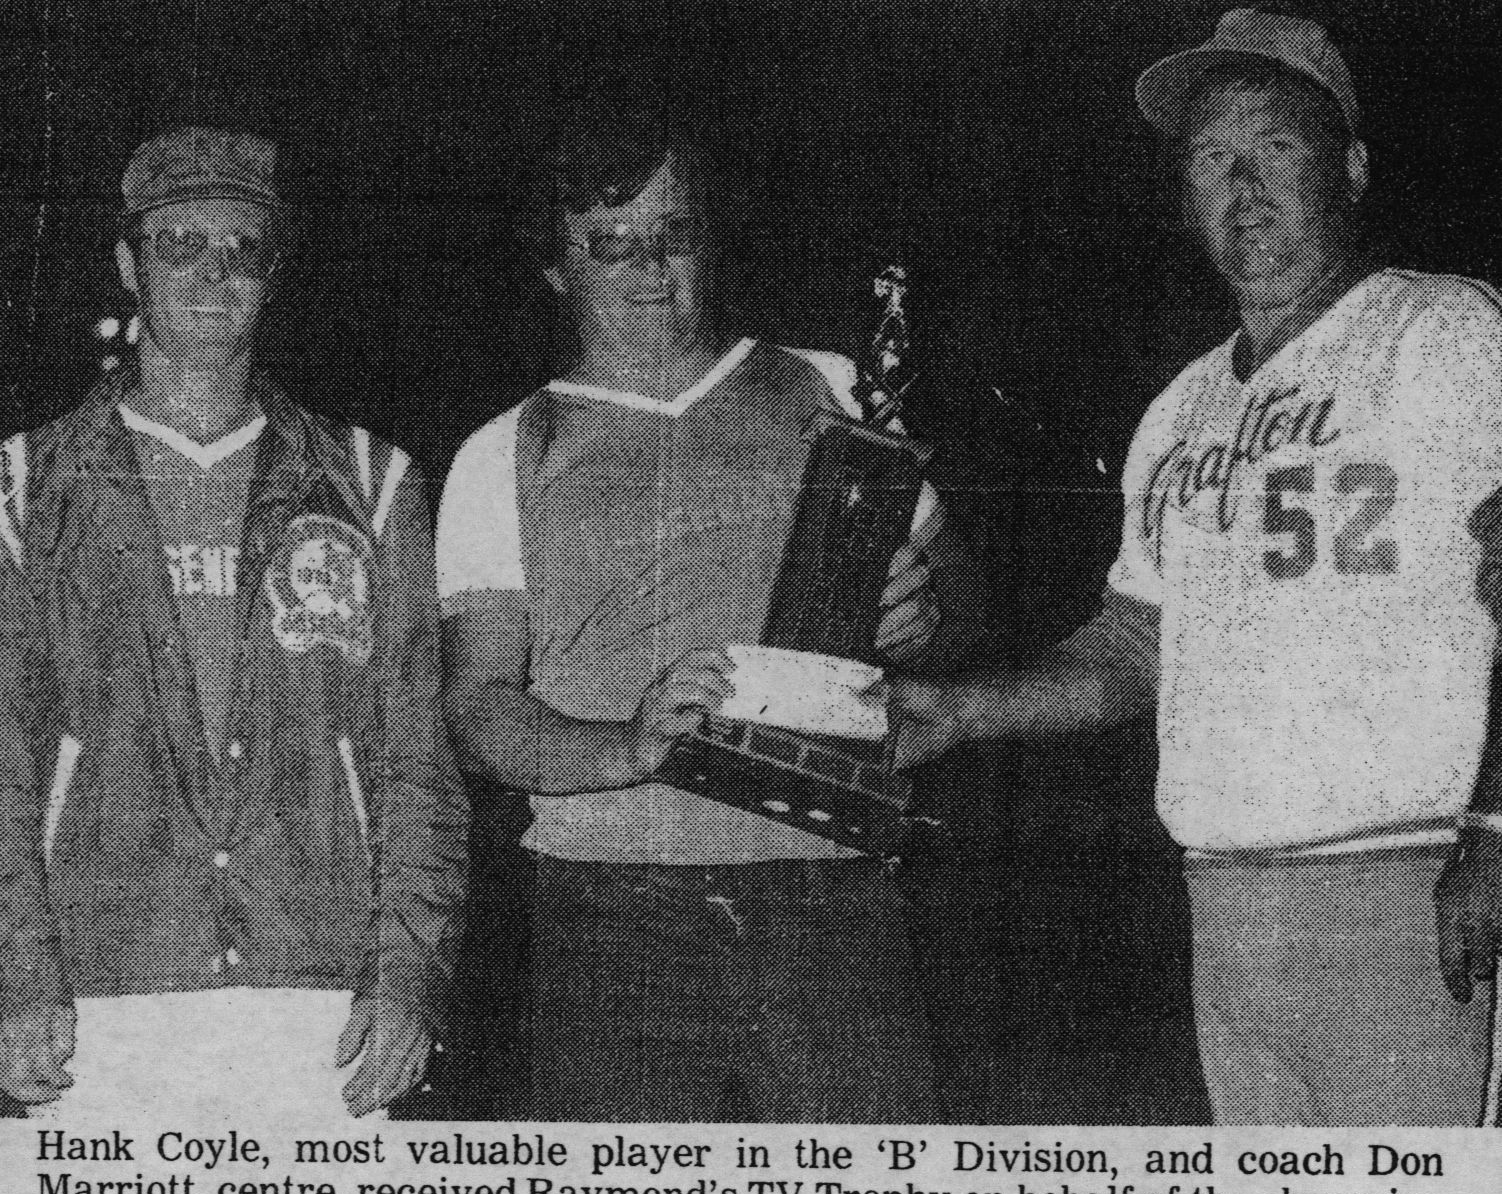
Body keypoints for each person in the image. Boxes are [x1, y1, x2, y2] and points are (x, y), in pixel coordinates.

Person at [889, 8, 1502, 1126]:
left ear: (1350, 168)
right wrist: (956, 707)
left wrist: (1496, 830)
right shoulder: (1180, 409)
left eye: (1274, 147)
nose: (1242, 185)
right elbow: (1133, 647)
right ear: (1182, 198)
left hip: (1406, 889)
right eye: (1210, 158)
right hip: (1222, 902)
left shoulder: (1441, 332)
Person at [436, 97, 969, 1121]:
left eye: (671, 233)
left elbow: (966, 598)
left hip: (830, 894)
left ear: (708, 241)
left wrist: (926, 612)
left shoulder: (830, 385)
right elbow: (476, 708)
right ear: (556, 266)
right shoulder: (503, 448)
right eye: (608, 243)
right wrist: (625, 747)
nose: (646, 266)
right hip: (608, 912)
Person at [0, 127, 468, 1119]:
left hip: (320, 994)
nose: (215, 272)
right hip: (98, 992)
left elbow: (415, 763)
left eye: (243, 248)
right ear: (129, 263)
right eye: (180, 244)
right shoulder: (25, 487)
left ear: (273, 271)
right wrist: (19, 975)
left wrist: (407, 975)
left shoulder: (369, 481)